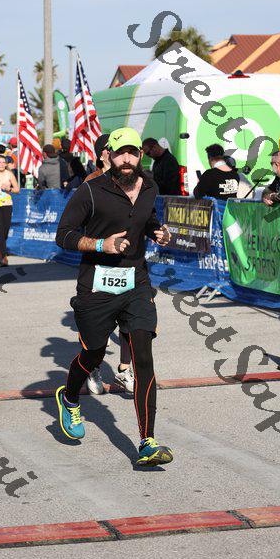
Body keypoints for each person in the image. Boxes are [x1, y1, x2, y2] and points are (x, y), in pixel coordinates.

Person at [55, 126, 174, 466]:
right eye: (120, 153)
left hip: (136, 282)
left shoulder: (149, 186)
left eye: (132, 153)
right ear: (109, 154)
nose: (126, 159)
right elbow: (63, 235)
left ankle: (147, 441)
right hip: (97, 285)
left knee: (143, 357)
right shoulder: (90, 191)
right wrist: (100, 244)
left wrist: (157, 231)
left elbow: (147, 219)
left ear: (140, 155)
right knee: (93, 353)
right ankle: (69, 396)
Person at [84, 133, 135, 395]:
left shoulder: (131, 179)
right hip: (100, 263)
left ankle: (124, 369)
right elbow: (78, 225)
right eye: (110, 149)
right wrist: (101, 242)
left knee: (129, 319)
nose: (117, 153)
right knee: (100, 324)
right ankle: (92, 367)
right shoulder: (92, 181)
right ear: (103, 154)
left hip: (128, 261)